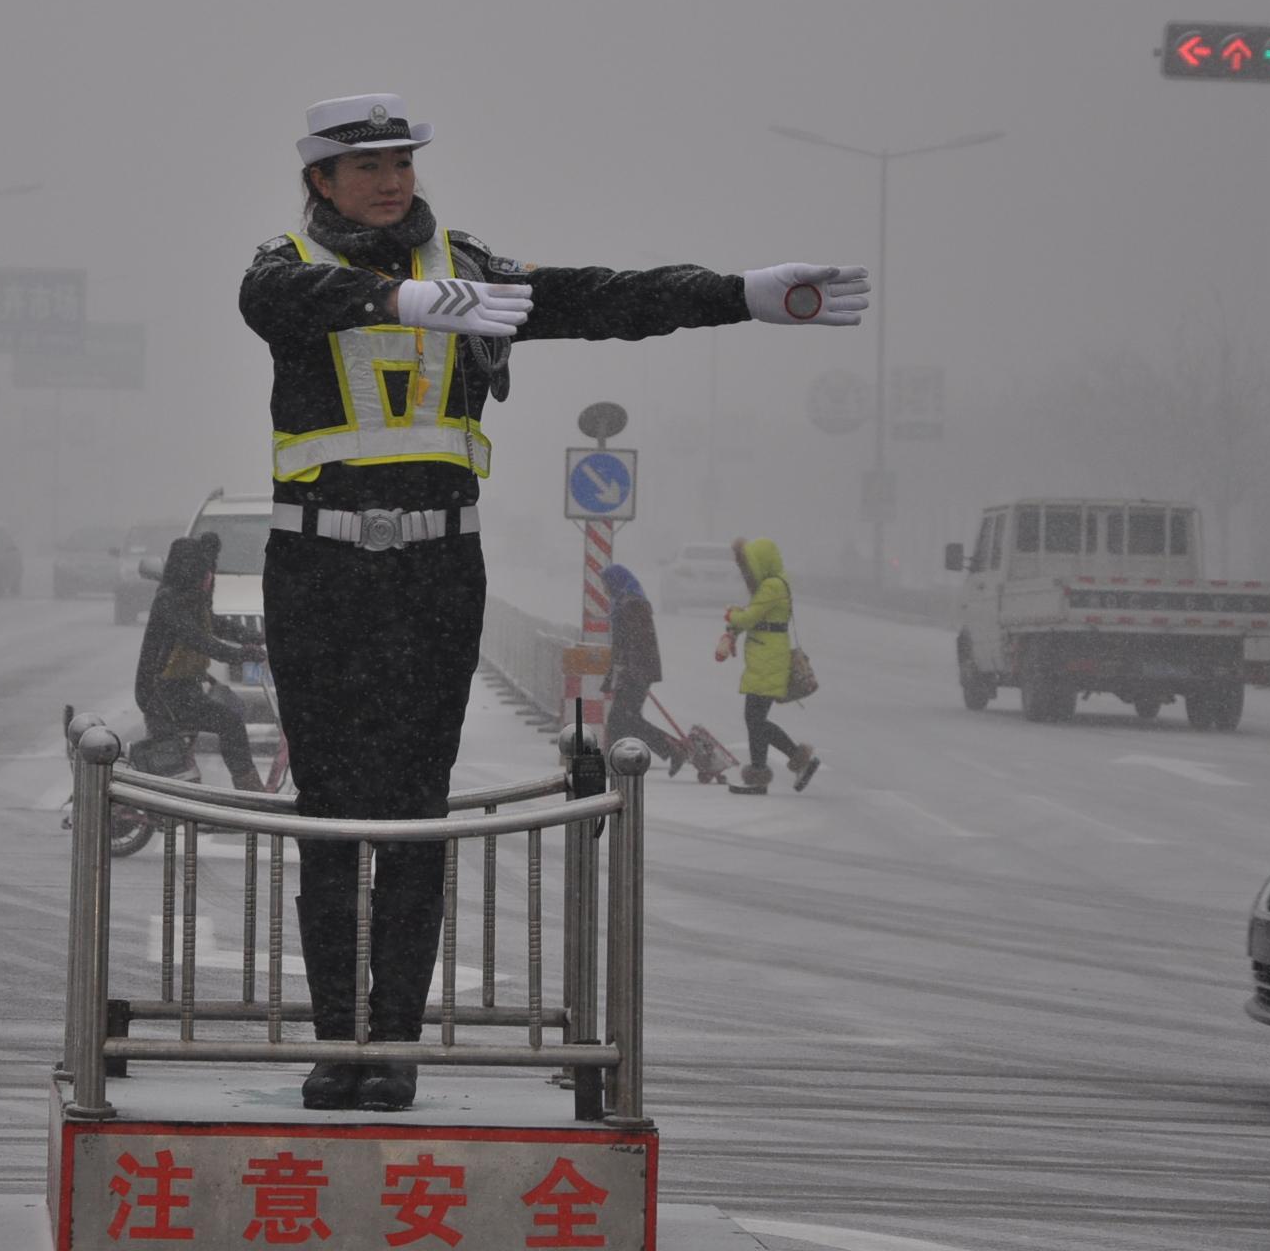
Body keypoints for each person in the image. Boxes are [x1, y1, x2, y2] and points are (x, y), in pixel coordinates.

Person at [240, 92, 870, 1112]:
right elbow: (279, 302)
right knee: (327, 813)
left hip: (435, 575)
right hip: (317, 572)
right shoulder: (280, 263)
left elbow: (602, 299)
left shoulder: (473, 266)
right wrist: (398, 303)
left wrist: (742, 293)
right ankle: (334, 1040)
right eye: (364, 167)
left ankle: (391, 1040)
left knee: (410, 810)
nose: (390, 179)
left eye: (399, 160)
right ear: (318, 179)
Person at [133, 535, 266, 792]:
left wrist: (255, 637)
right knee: (230, 724)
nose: (208, 579)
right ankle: (250, 789)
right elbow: (198, 639)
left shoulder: (191, 598)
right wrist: (240, 655)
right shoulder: (169, 601)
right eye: (204, 572)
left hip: (185, 688)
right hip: (162, 694)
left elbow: (213, 624)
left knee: (232, 712)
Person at [721, 536, 819, 795]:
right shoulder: (771, 586)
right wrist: (735, 627)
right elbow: (754, 617)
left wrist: (732, 615)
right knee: (755, 718)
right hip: (765, 659)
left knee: (754, 718)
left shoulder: (773, 586)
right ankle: (762, 773)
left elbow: (752, 616)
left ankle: (790, 761)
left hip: (769, 660)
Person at [599, 564, 696, 776]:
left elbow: (637, 643)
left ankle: (672, 749)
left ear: (615, 581)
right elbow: (621, 648)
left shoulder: (632, 604)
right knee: (622, 718)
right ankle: (614, 762)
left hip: (637, 671)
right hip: (633, 671)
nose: (604, 589)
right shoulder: (623, 603)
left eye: (606, 584)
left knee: (626, 718)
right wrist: (611, 677)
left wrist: (632, 673)